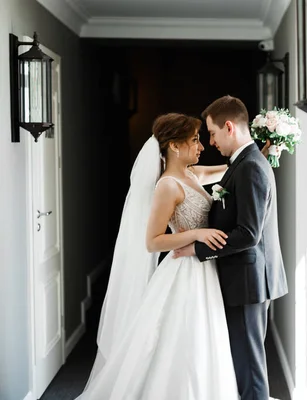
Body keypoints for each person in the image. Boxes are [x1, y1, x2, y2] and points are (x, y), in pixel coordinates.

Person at [78, 113, 245, 399]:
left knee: (203, 338)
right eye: (194, 140)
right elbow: (153, 242)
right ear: (175, 146)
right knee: (181, 338)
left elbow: (227, 170)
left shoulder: (191, 174)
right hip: (183, 270)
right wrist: (196, 234)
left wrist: (255, 154)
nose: (201, 146)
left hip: (202, 269)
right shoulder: (167, 185)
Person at [174, 96, 288, 400]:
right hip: (243, 279)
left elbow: (248, 234)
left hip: (247, 281)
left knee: (249, 368)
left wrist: (198, 249)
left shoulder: (250, 166)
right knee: (242, 361)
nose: (210, 142)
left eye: (212, 133)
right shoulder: (244, 162)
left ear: (228, 127)